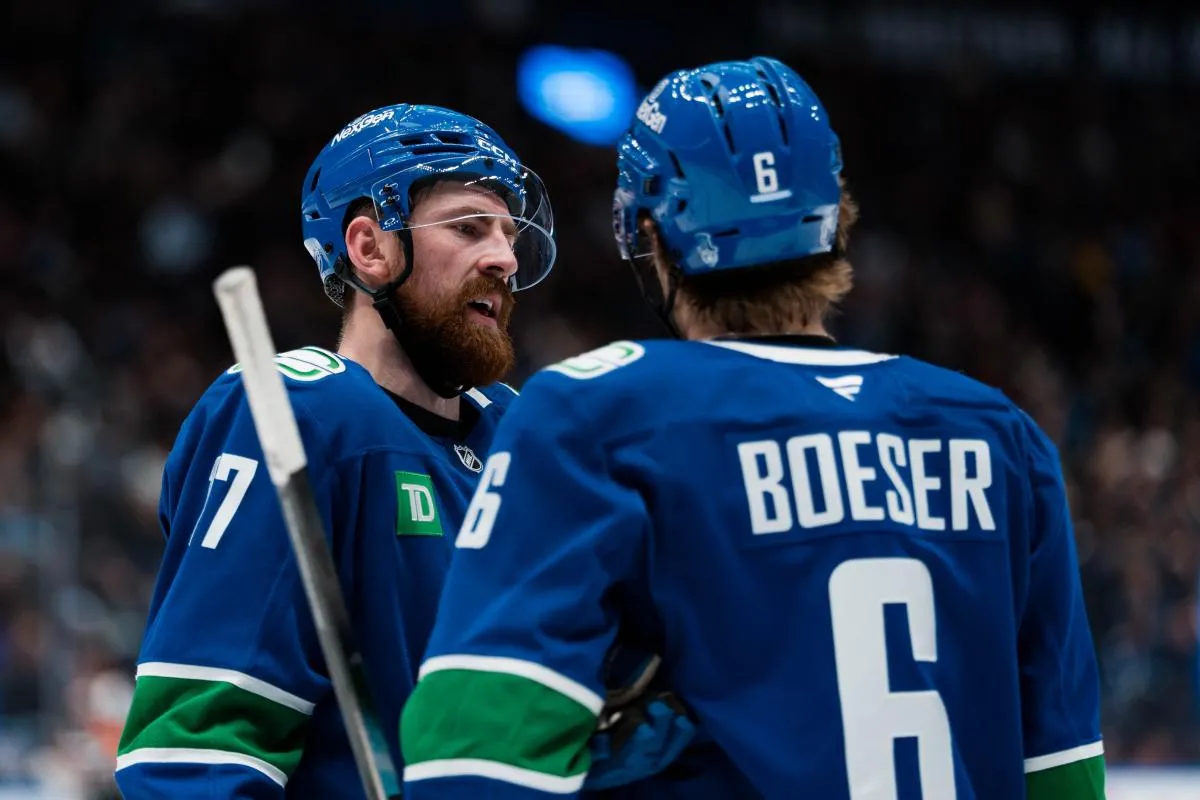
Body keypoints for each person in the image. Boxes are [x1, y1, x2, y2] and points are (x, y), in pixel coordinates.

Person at [400, 57, 1106, 799]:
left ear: (648, 233)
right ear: (837, 216)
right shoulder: (999, 437)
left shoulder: (598, 413)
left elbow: (472, 768)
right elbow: (1065, 773)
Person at [113, 103, 559, 798]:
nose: (505, 257)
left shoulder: (519, 434)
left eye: (508, 233)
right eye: (469, 227)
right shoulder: (295, 410)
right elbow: (198, 749)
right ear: (370, 247)